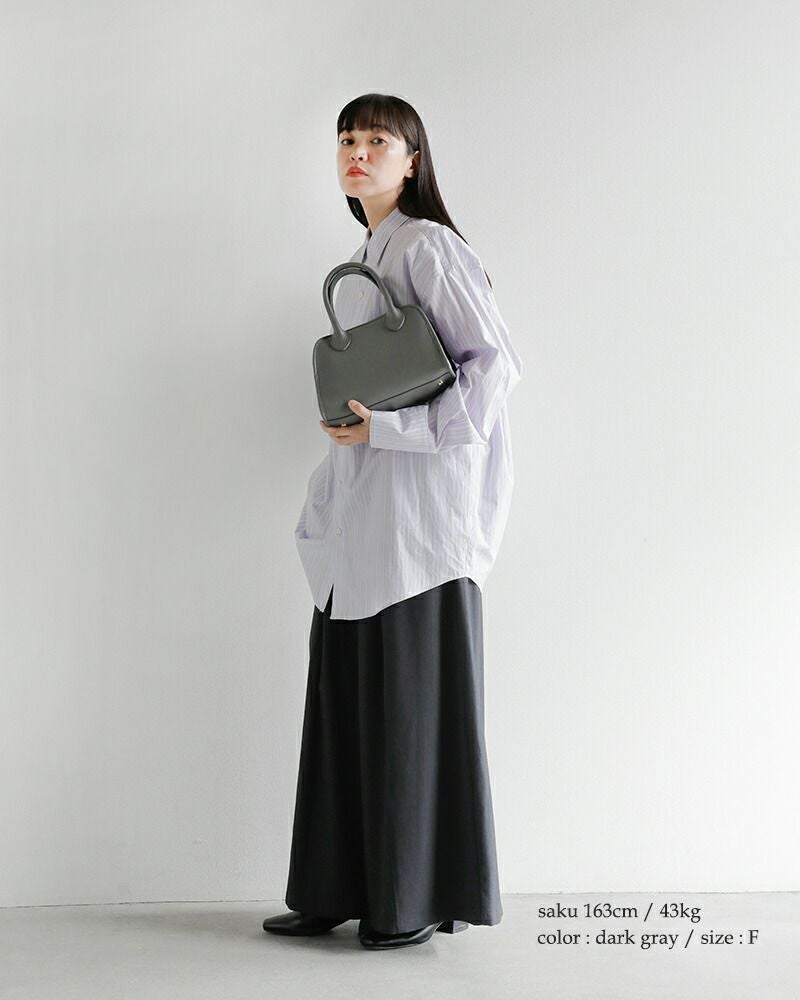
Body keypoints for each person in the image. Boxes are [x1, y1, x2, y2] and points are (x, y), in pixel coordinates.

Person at [262, 93, 522, 951]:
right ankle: (337, 888)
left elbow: (494, 369)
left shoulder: (428, 247)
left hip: (421, 527)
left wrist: (392, 430)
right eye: (348, 138)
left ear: (413, 161)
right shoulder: (365, 259)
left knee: (409, 707)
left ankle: (408, 900)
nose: (358, 152)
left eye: (379, 140)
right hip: (367, 518)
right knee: (349, 700)